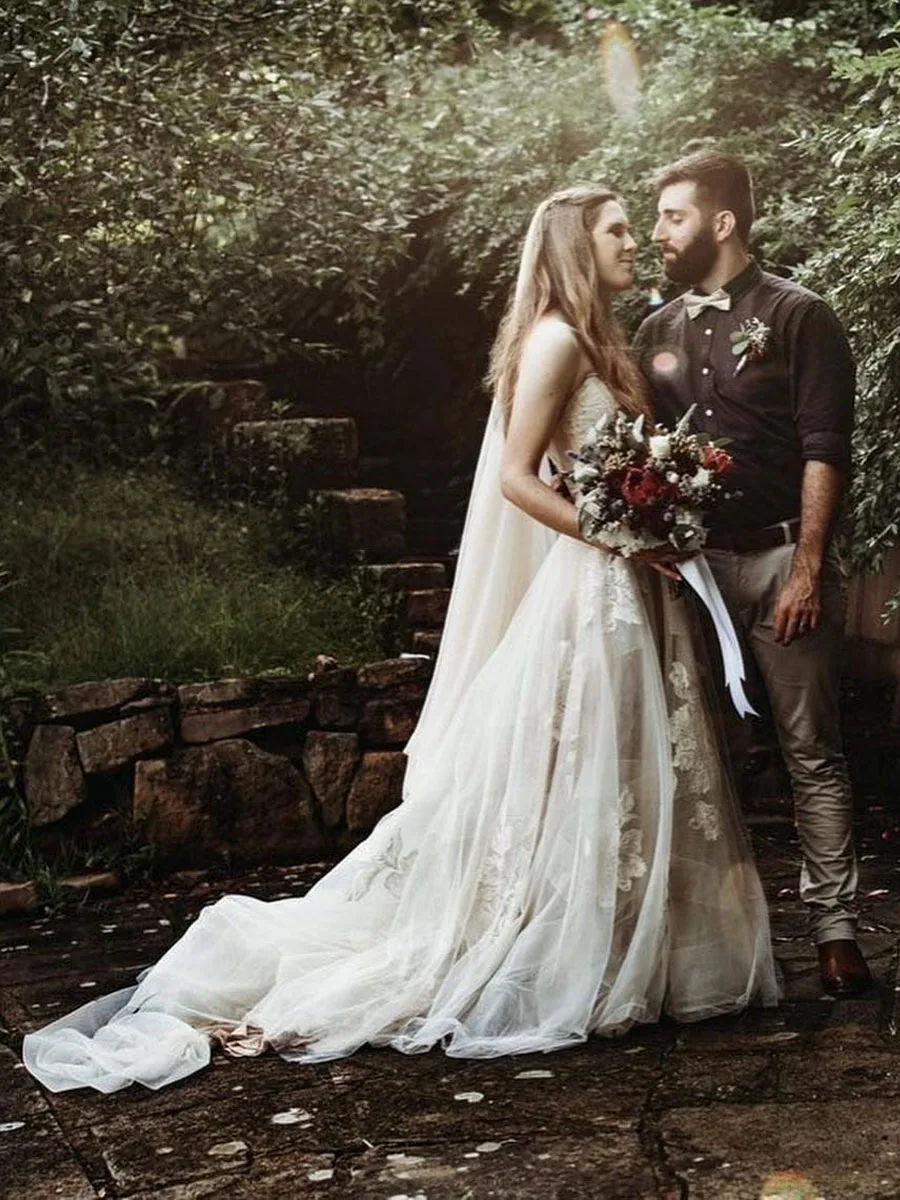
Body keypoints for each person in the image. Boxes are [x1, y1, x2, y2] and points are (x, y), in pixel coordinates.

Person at [23, 184, 778, 1095]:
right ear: (579, 246)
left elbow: (611, 467)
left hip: (638, 589)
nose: (632, 242)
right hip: (594, 592)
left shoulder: (608, 342)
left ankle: (636, 949)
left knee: (631, 771)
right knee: (584, 772)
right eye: (618, 229)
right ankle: (563, 949)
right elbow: (515, 480)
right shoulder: (553, 340)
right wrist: (622, 533)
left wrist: (663, 508)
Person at [632, 149, 871, 998]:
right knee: (703, 756)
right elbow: (638, 457)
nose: (658, 233)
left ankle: (837, 931)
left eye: (673, 216)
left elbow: (825, 448)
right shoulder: (654, 331)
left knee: (811, 748)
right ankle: (725, 942)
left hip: (781, 561)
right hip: (692, 573)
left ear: (723, 223)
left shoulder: (802, 316)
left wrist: (806, 568)